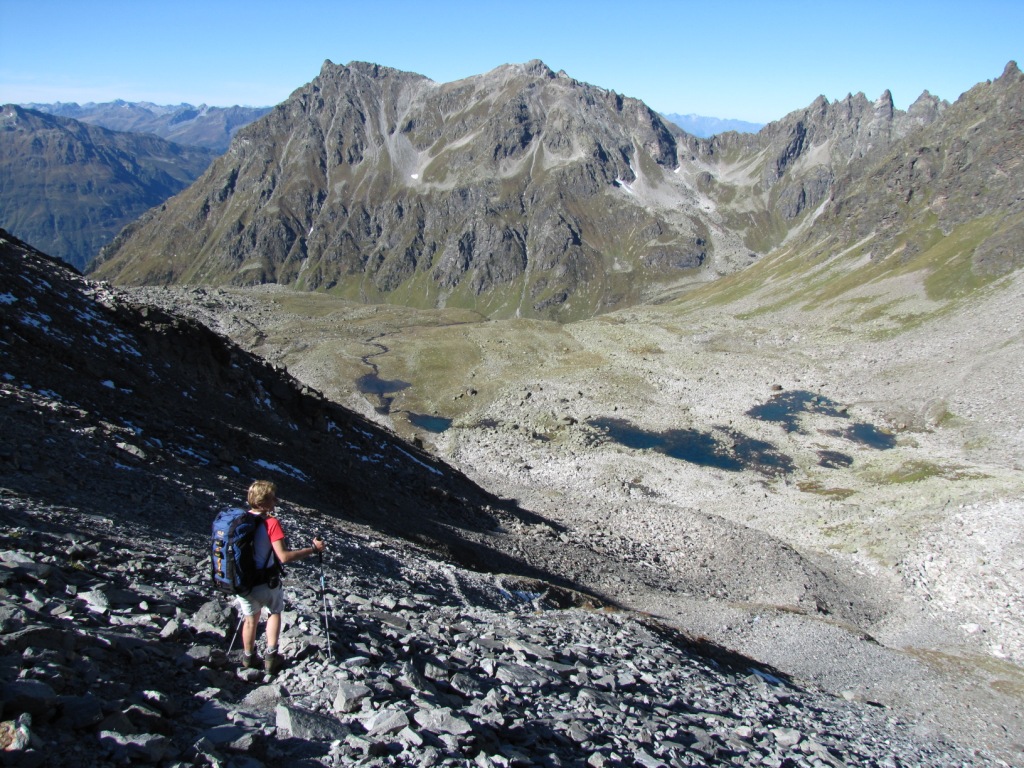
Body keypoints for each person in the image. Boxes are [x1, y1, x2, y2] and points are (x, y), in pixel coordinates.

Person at [238, 479, 325, 674]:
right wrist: (312, 549)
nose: (276, 501)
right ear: (263, 502)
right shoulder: (271, 523)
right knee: (274, 612)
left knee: (250, 619)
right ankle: (271, 656)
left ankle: (248, 657)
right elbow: (283, 557)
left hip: (242, 580)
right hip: (265, 581)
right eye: (272, 498)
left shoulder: (240, 520)